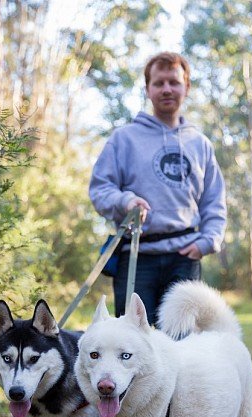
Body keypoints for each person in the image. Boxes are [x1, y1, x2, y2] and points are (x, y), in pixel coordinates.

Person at [89, 52, 227, 325]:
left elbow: (214, 201)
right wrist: (126, 201)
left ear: (186, 87)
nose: (166, 89)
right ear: (147, 89)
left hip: (185, 257)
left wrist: (207, 241)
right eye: (159, 82)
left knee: (183, 344)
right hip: (137, 258)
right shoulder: (123, 139)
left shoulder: (200, 144)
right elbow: (100, 189)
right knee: (132, 343)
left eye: (174, 82)